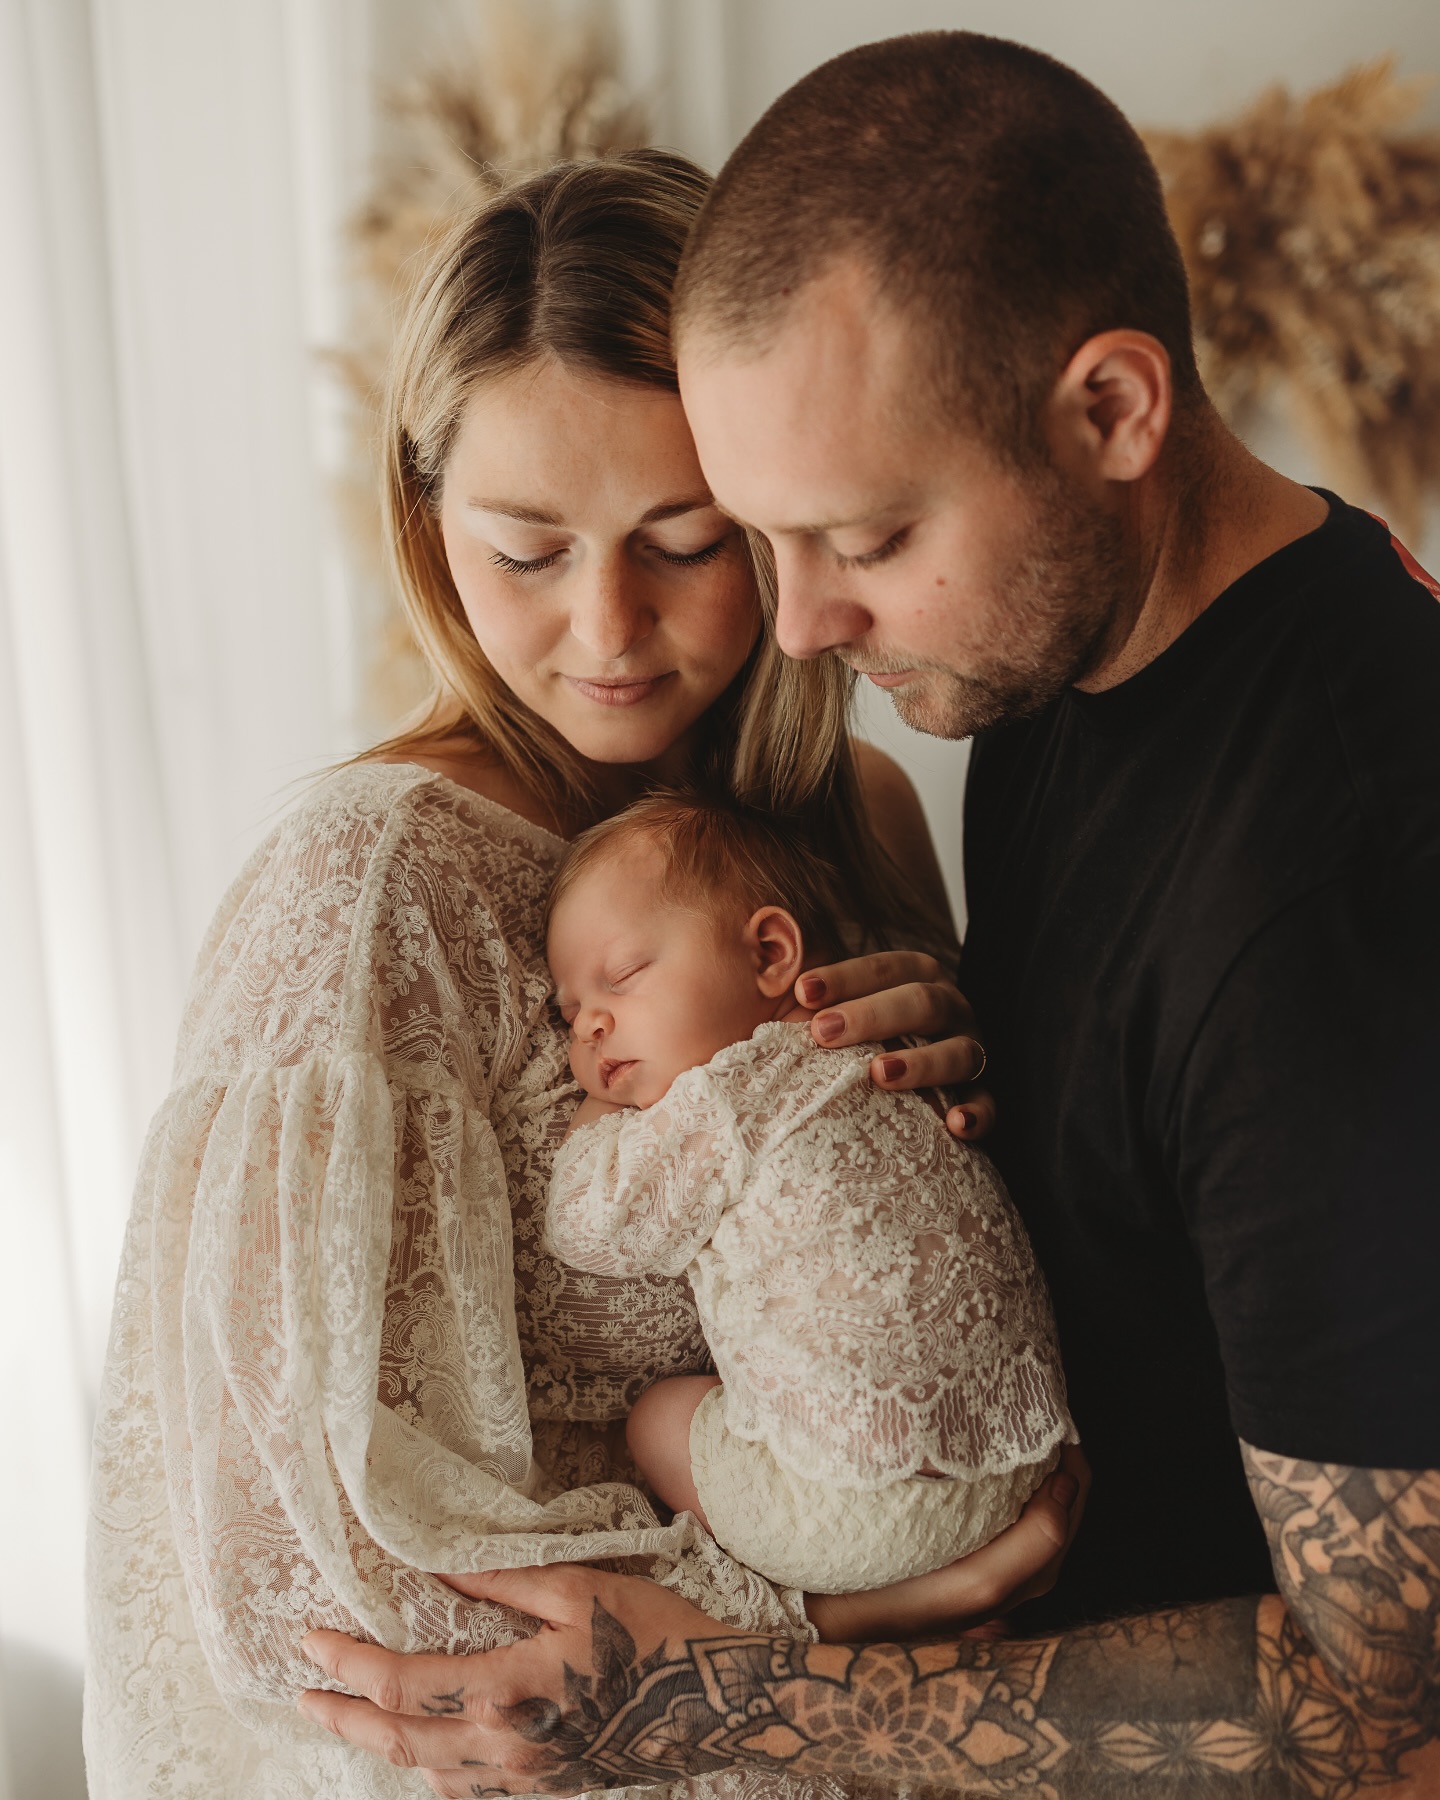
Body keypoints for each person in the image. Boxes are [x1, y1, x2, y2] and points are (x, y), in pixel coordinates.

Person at [297, 31, 1440, 1798]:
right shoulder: (1062, 670)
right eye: (763, 538)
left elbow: (1392, 1706)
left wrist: (721, 1698)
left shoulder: (1343, 875)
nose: (806, 626)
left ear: (1113, 412)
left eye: (869, 537)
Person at [83, 147, 1082, 1800]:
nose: (611, 628)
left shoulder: (860, 819)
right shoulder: (366, 885)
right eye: (528, 551)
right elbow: (282, 1568)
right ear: (429, 530)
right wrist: (834, 1624)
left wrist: (967, 1091)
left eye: (684, 540)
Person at [542, 792, 1075, 1611]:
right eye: (570, 1012)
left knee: (656, 1419)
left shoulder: (722, 1099)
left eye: (622, 977)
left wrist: (599, 1109)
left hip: (847, 1510)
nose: (590, 1027)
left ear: (771, 951)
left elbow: (588, 1224)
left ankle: (846, 1605)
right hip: (1020, 1454)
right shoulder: (887, 1041)